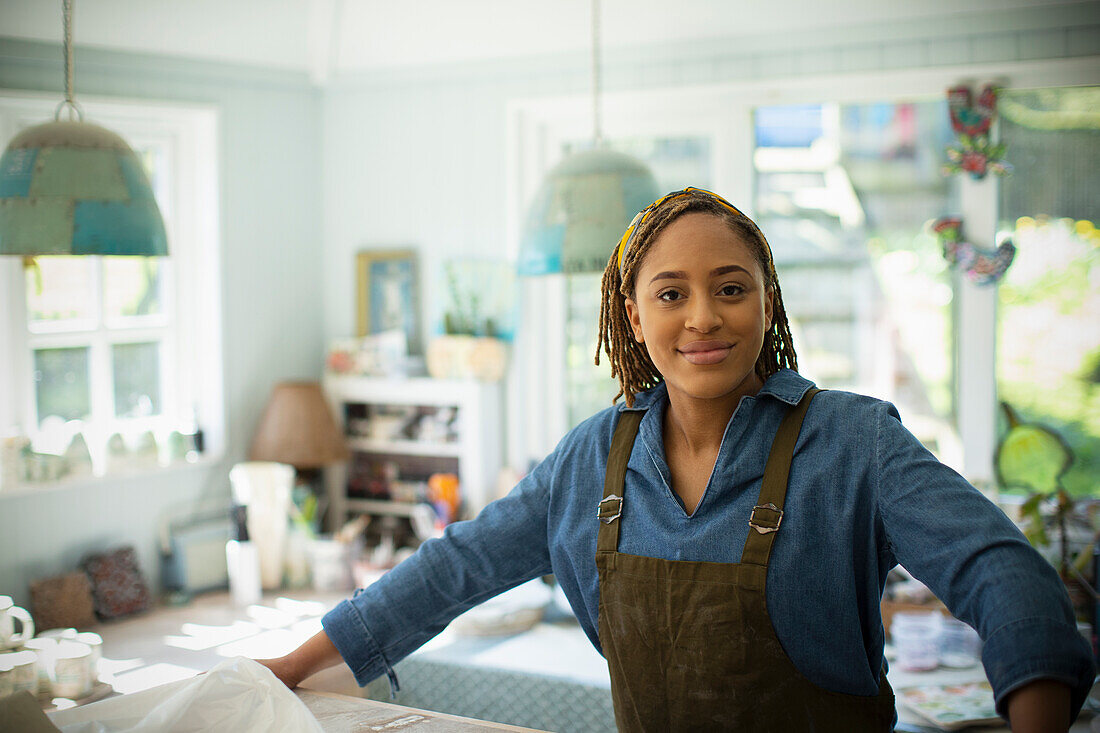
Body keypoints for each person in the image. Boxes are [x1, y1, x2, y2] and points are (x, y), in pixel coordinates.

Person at [259, 188, 1094, 731]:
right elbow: (456, 567)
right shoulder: (591, 459)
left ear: (767, 299)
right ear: (632, 311)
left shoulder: (855, 443)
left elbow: (1002, 572)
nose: (704, 317)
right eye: (671, 293)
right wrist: (293, 666)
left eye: (731, 288)